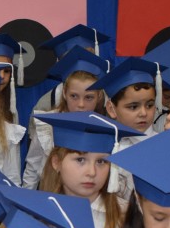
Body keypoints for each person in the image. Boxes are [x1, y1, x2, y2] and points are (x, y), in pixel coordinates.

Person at [22, 47, 109, 188]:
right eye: (74, 96)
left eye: (89, 97)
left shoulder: (105, 129)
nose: (81, 105)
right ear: (64, 93)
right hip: (49, 194)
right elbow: (32, 168)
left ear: (99, 96)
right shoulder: (47, 124)